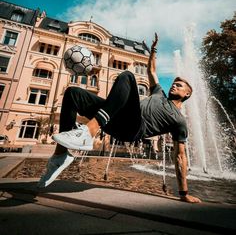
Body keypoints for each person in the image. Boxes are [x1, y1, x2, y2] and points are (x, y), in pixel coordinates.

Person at [38, 33, 201, 203]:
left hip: (133, 129)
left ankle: (89, 130)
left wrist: (184, 193)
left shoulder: (179, 120)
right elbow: (151, 70)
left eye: (179, 85)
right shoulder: (159, 93)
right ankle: (60, 155)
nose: (174, 85)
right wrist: (153, 51)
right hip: (114, 118)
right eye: (174, 83)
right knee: (73, 93)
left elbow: (180, 156)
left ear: (187, 93)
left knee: (127, 76)